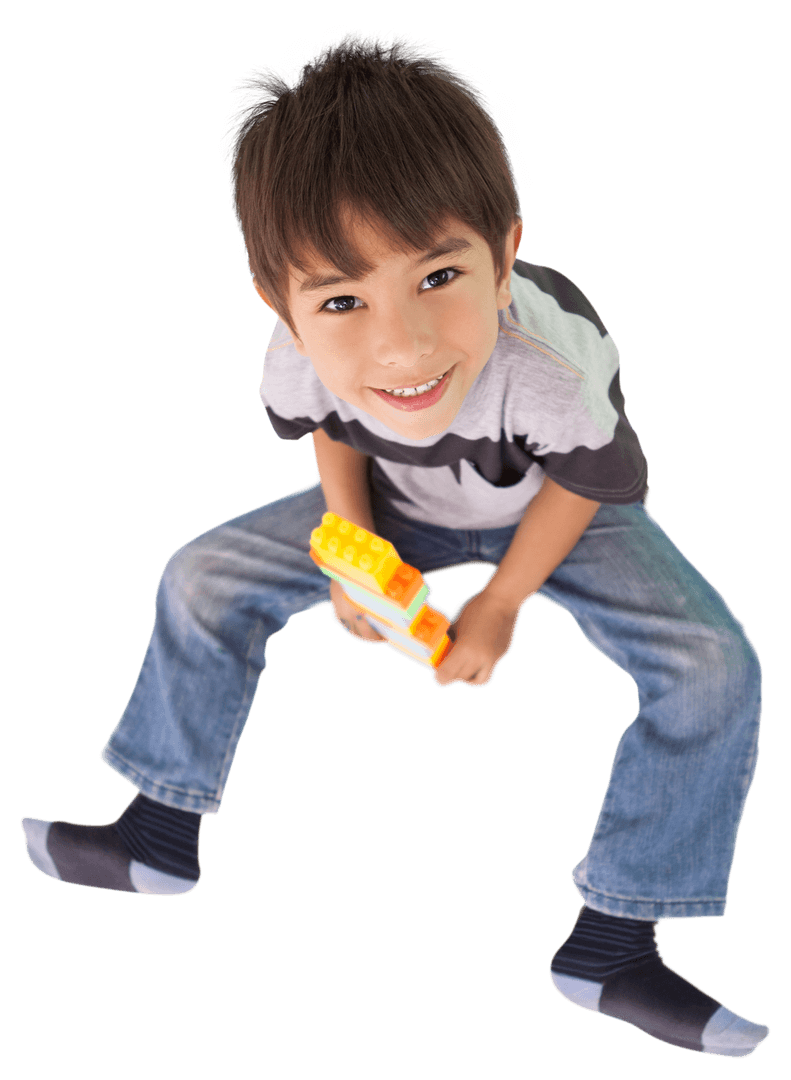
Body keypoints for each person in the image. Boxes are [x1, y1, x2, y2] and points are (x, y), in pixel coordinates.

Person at [21, 31, 768, 1059]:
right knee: (201, 575)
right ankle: (158, 831)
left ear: (503, 256)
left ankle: (613, 943)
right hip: (401, 500)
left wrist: (501, 601)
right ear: (278, 302)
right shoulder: (298, 356)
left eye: (437, 276)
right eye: (340, 300)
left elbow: (584, 480)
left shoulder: (549, 367)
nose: (400, 347)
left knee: (713, 665)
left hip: (552, 506)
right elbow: (334, 430)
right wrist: (353, 548)